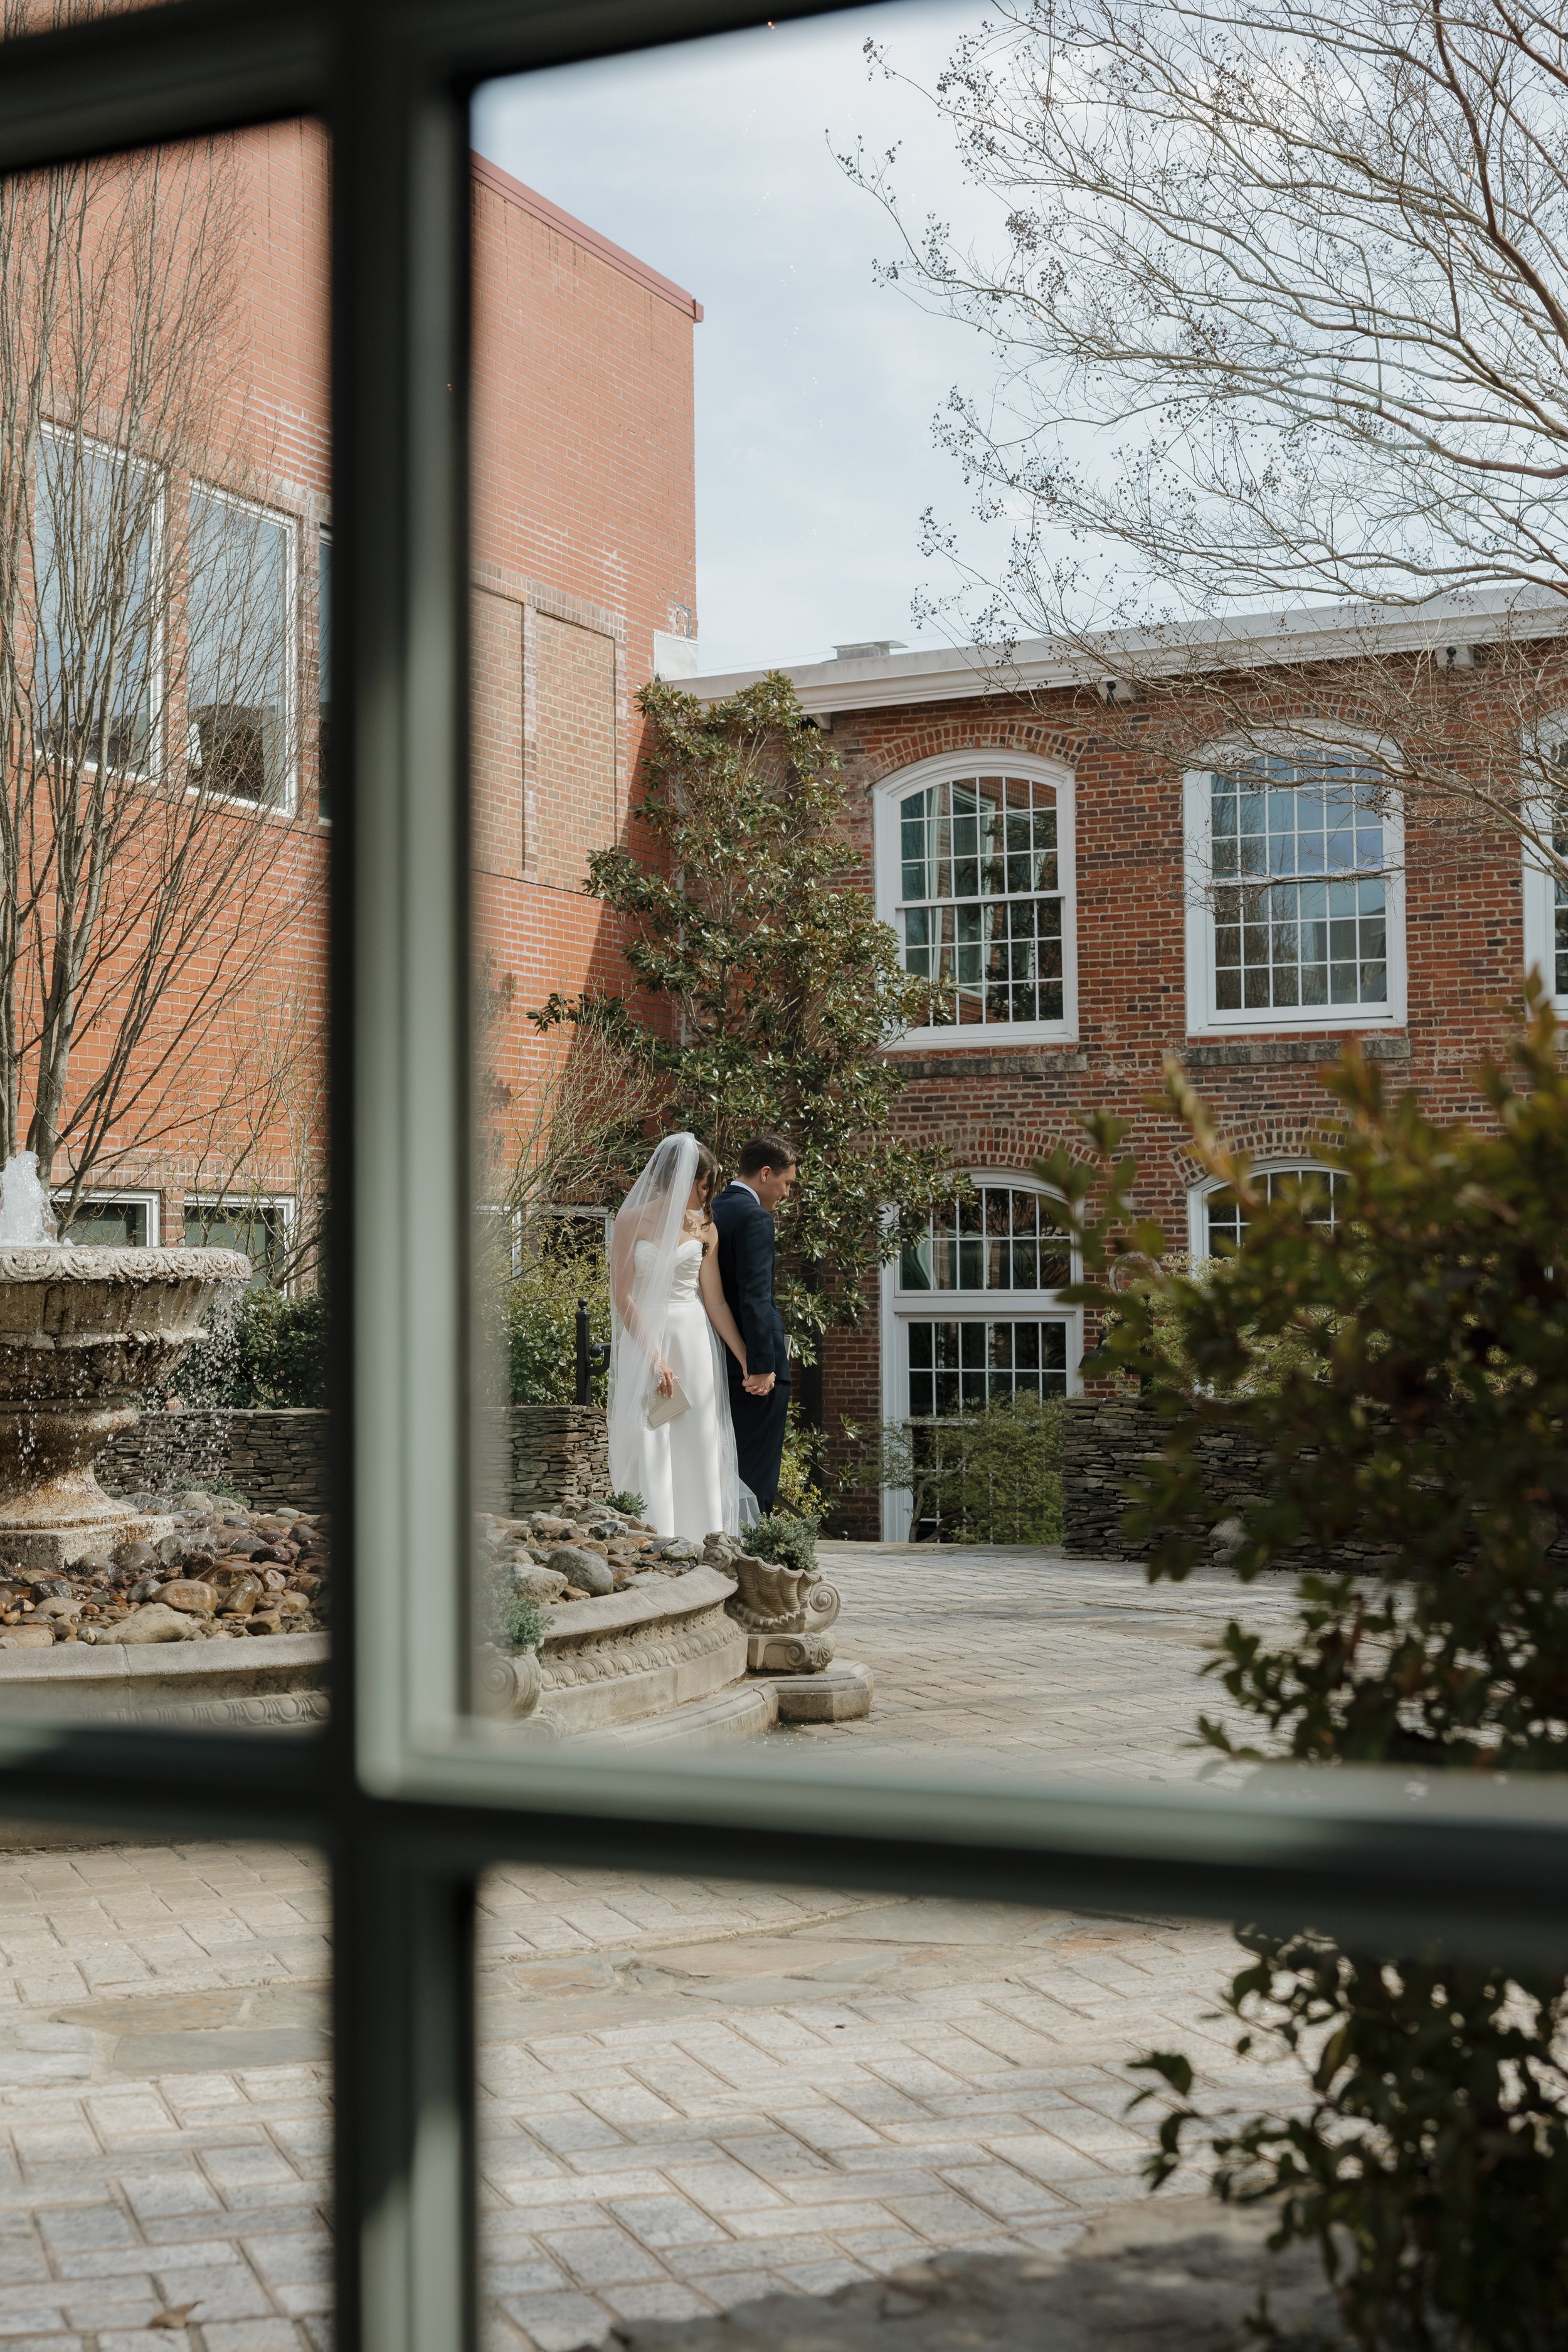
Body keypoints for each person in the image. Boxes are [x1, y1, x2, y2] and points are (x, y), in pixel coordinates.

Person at [606, 1133, 756, 1540]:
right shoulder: (631, 1221)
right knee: (651, 1433)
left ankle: (701, 1540)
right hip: (648, 1340)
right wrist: (655, 1359)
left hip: (693, 1344)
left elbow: (717, 1303)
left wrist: (745, 1357)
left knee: (696, 1440)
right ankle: (655, 1538)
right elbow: (623, 1297)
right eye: (702, 1183)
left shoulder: (705, 1227)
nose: (706, 1193)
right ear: (679, 1179)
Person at [711, 1133, 797, 1515]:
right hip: (753, 1371)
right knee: (755, 1474)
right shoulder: (755, 1217)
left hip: (714, 1358)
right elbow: (755, 1297)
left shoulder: (710, 1209)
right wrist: (762, 1365)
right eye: (786, 1183)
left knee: (722, 1465)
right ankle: (751, 1556)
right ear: (766, 1173)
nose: (787, 1193)